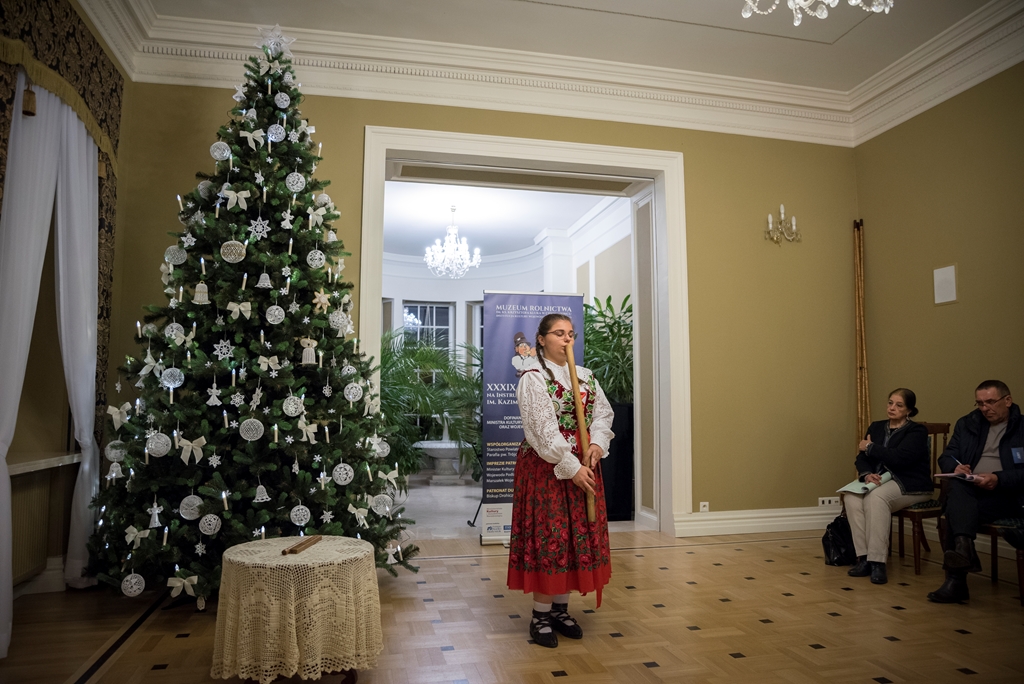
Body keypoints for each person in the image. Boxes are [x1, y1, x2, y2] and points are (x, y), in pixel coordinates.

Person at [506, 313, 615, 648]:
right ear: (541, 340)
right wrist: (571, 465)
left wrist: (597, 444)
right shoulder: (533, 377)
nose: (567, 339)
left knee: (573, 538)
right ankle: (540, 616)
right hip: (548, 468)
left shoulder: (585, 376)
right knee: (550, 537)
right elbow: (541, 431)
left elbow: (603, 414)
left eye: (570, 333)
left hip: (584, 464)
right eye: (558, 333)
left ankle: (560, 610)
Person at [928, 380, 1024, 603]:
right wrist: (956, 467)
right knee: (958, 487)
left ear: (1008, 400)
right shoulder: (967, 424)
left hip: (1008, 495)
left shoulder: (1022, 428)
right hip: (971, 489)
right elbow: (948, 456)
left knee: (955, 510)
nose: (984, 408)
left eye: (990, 402)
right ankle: (964, 549)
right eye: (979, 403)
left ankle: (957, 579)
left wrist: (999, 478)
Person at [844, 389, 934, 584]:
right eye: (890, 403)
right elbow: (861, 458)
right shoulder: (876, 427)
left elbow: (900, 458)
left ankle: (877, 562)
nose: (892, 408)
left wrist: (870, 447)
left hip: (910, 483)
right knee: (851, 497)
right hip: (878, 481)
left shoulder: (917, 431)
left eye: (899, 405)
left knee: (876, 498)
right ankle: (864, 558)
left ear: (909, 410)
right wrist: (867, 474)